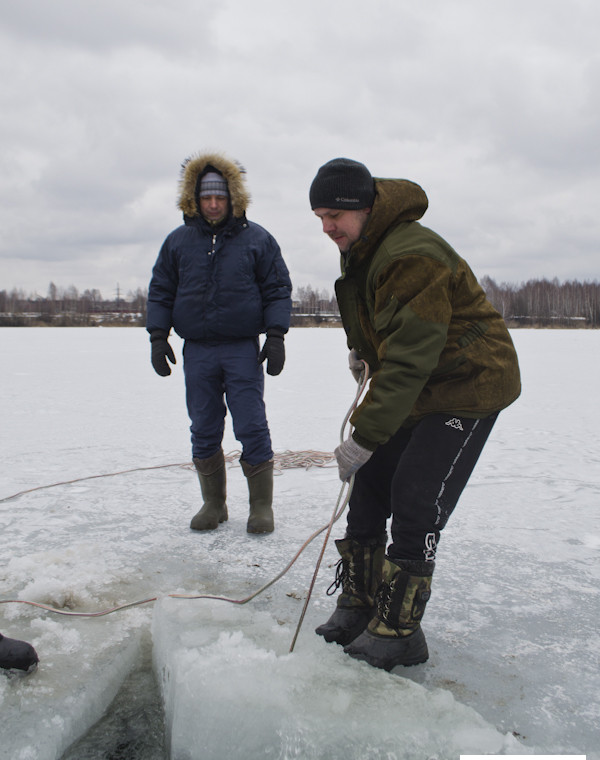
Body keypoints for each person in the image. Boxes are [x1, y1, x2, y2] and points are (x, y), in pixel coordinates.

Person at [309, 158, 521, 671]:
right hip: (425, 385)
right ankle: (359, 603)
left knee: (414, 491)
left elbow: (409, 359)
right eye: (319, 216)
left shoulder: (411, 254)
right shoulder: (363, 249)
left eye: (334, 213)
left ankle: (400, 628)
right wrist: (362, 350)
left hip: (469, 384)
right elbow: (384, 325)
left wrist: (362, 435)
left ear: (364, 208)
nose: (326, 227)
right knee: (371, 481)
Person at [147, 152, 292, 534]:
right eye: (206, 198)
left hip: (242, 348)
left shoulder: (258, 240)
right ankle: (214, 503)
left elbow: (277, 289)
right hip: (197, 350)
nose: (213, 204)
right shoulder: (177, 242)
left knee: (251, 424)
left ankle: (261, 506)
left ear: (233, 198)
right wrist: (157, 336)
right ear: (194, 200)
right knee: (204, 425)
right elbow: (161, 291)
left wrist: (276, 335)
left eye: (220, 197)